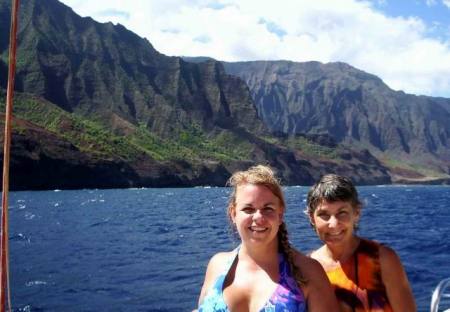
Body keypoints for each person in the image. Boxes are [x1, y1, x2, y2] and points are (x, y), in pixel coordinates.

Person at [196, 165, 338, 312]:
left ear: (280, 214)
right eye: (248, 209)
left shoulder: (308, 272)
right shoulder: (217, 265)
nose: (258, 217)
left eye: (268, 209)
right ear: (233, 214)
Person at [306, 174, 416, 312]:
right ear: (311, 218)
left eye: (342, 213)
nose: (333, 224)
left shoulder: (382, 259)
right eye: (324, 214)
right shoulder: (308, 267)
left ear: (356, 213)